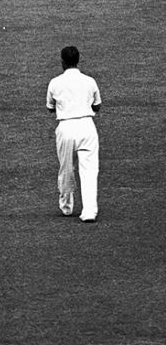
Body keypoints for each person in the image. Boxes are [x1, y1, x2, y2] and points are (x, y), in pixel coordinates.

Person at [46, 46, 102, 223]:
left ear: (62, 62)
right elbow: (97, 106)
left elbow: (50, 107)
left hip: (66, 127)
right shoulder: (89, 81)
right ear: (78, 60)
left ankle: (66, 206)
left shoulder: (55, 82)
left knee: (66, 168)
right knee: (90, 170)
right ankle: (89, 211)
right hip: (87, 126)